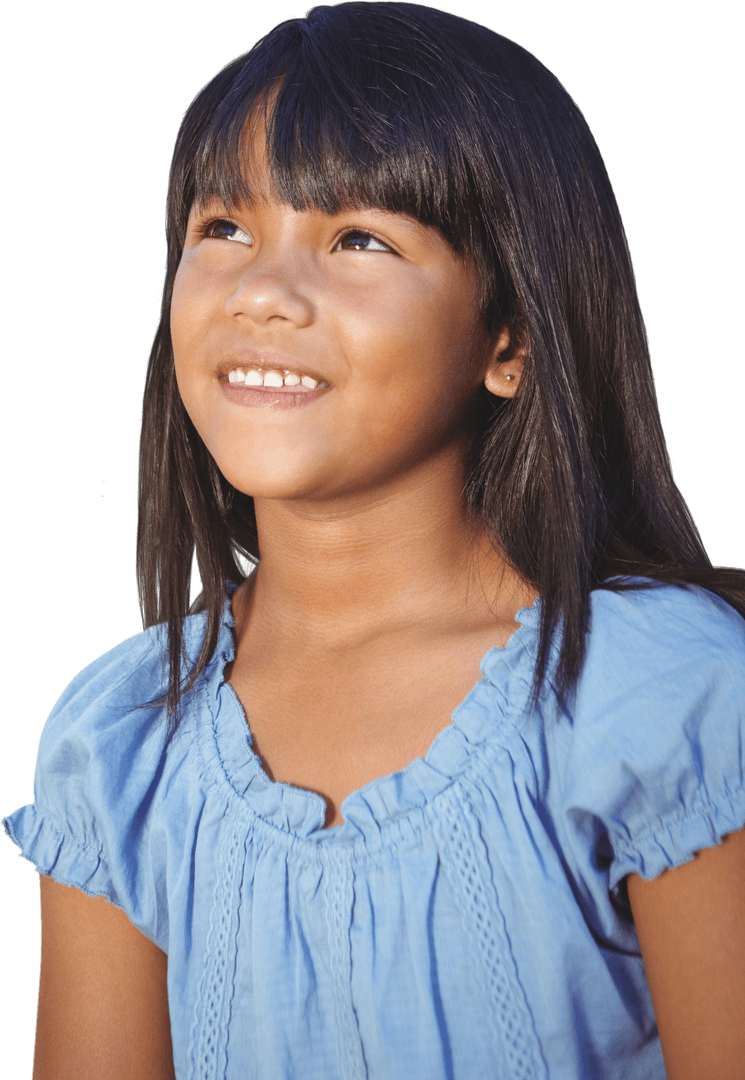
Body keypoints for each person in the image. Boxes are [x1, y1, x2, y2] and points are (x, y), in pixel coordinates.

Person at [4, 3, 744, 1077]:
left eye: (358, 239)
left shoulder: (665, 697)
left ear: (511, 335)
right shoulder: (119, 744)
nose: (262, 291)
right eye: (223, 229)